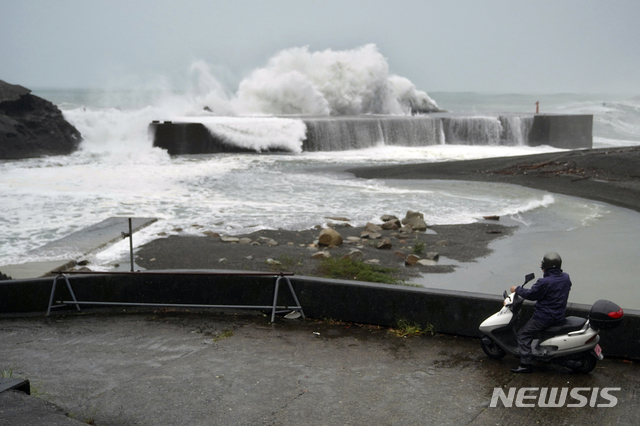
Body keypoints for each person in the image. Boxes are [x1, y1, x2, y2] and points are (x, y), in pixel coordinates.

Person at [509, 252, 572, 373]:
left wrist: (517, 289)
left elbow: (532, 294)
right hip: (559, 315)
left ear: (546, 266)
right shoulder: (566, 277)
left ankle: (525, 365)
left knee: (523, 335)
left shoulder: (544, 282)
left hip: (544, 317)